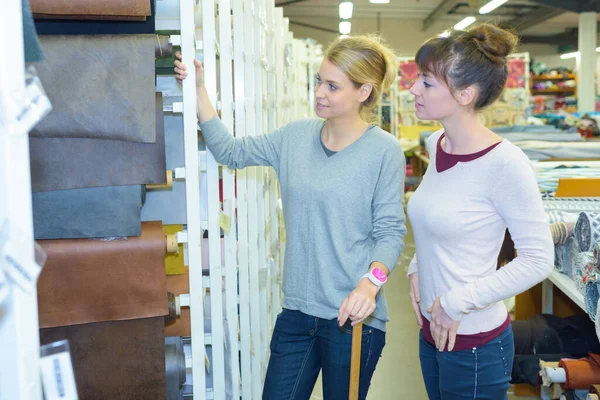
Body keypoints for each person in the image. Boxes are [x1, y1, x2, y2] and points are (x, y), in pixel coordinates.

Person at [175, 35, 407, 399]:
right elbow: (231, 152)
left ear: (364, 92)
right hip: (297, 314)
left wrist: (370, 283)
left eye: (332, 86)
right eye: (318, 80)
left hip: (354, 320)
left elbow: (391, 231)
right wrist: (199, 90)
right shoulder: (294, 137)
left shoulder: (384, 152)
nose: (319, 92)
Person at [406, 23, 553, 399]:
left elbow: (538, 260)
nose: (413, 89)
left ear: (464, 94)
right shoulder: (437, 142)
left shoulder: (505, 164)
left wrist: (456, 302)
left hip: (474, 345)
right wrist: (416, 267)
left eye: (426, 82)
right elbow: (434, 219)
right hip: (431, 331)